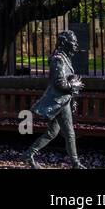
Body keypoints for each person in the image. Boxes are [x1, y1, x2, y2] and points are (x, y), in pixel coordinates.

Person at [26, 30, 86, 168]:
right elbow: (59, 83)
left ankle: (29, 154)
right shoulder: (58, 59)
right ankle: (76, 163)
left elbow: (65, 78)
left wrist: (72, 80)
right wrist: (73, 85)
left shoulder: (64, 58)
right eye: (73, 42)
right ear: (65, 43)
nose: (76, 45)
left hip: (62, 100)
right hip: (59, 102)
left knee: (52, 132)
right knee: (70, 133)